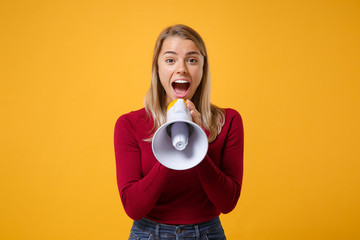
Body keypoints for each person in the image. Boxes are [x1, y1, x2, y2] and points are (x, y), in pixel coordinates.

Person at [114, 24, 244, 240]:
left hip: (207, 234)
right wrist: (169, 153)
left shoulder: (228, 121)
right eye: (170, 60)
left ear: (202, 69)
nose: (181, 68)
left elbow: (227, 203)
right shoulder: (129, 124)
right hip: (148, 234)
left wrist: (198, 142)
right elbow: (133, 208)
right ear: (157, 68)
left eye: (192, 60)